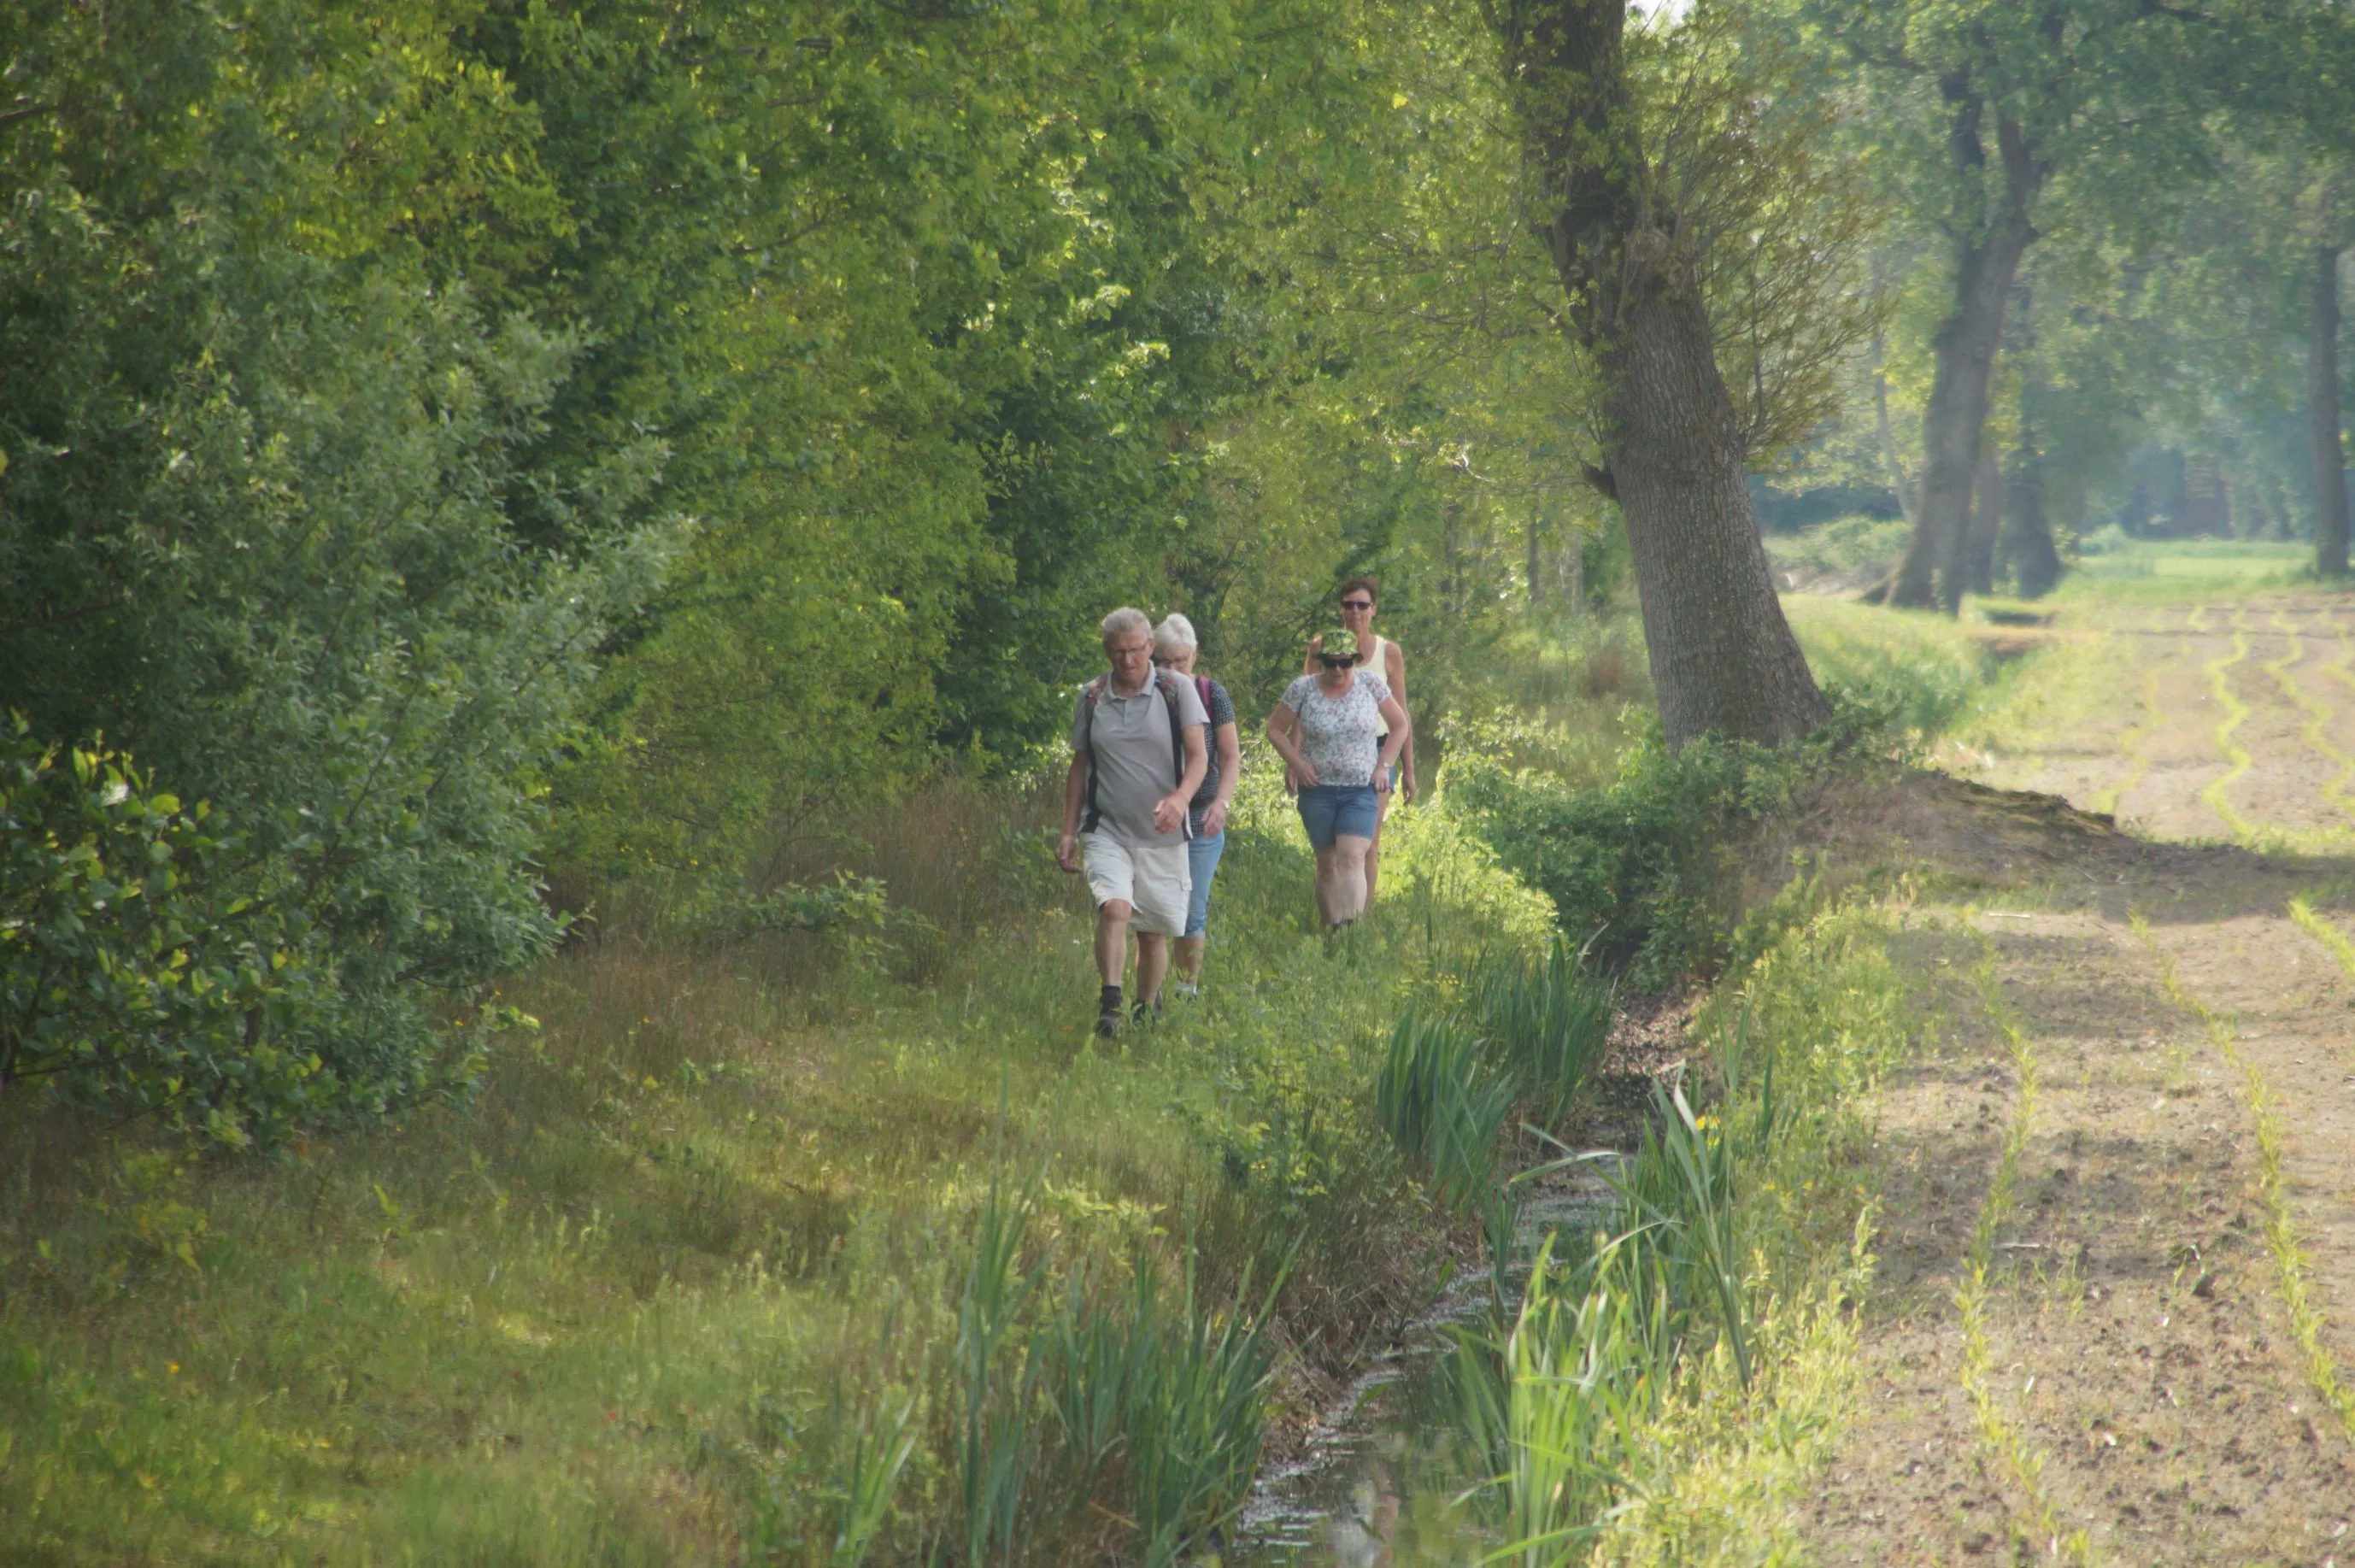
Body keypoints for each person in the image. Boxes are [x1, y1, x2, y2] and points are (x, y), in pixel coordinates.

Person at [1057, 608, 1209, 1037]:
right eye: (1118, 652)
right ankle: (1110, 1004)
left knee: (1153, 935)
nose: (1128, 660)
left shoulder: (1176, 690)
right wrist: (1068, 830)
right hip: (1107, 827)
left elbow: (1199, 757)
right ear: (1107, 651)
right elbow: (1079, 767)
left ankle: (1145, 1009)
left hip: (1162, 833)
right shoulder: (1092, 697)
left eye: (1137, 651)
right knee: (1115, 907)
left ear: (1151, 647)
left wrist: (1180, 799)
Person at [1266, 627, 1411, 930]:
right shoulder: (1303, 689)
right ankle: (1332, 929)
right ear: (1321, 662)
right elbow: (1274, 729)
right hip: (1317, 789)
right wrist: (1297, 764)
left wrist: (1384, 766)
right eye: (1331, 663)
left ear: (1355, 661)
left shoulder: (1371, 685)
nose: (1338, 670)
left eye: (1345, 663)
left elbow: (1400, 725)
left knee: (1353, 857)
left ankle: (1350, 931)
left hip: (1360, 789)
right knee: (1327, 865)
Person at [1303, 578, 1415, 907]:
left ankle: (1359, 920)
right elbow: (1303, 705)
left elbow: (1401, 715)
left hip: (1378, 752)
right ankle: (1335, 916)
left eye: (1362, 605)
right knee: (1331, 849)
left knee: (1366, 843)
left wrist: (1407, 770)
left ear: (1373, 610)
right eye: (1349, 604)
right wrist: (1296, 760)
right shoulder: (1320, 647)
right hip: (1327, 753)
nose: (1356, 611)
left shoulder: (1388, 652)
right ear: (1340, 610)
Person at [1152, 614, 1239, 999]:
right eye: (1164, 662)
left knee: (1191, 911)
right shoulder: (1144, 695)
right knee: (1152, 910)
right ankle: (1150, 992)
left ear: (1194, 657)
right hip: (1153, 819)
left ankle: (1186, 991)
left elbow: (1230, 756)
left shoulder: (1211, 694)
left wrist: (1222, 803)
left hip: (1202, 817)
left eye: (1180, 662)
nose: (1172, 671)